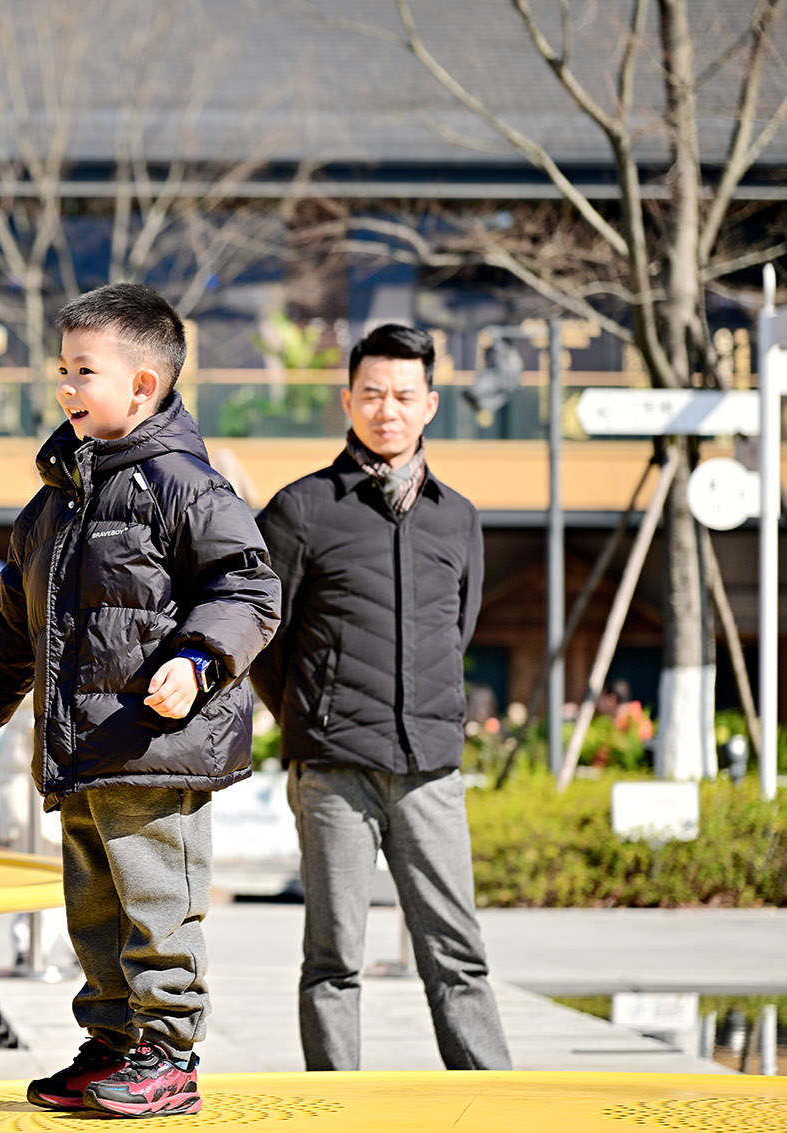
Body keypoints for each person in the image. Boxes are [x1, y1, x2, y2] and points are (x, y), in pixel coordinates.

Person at [0, 282, 280, 1118]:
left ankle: (169, 1051)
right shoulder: (59, 496)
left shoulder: (184, 485)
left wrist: (200, 659)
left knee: (157, 903)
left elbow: (247, 585)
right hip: (81, 749)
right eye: (63, 369)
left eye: (83, 370)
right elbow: (15, 602)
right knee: (95, 910)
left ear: (144, 385)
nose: (66, 386)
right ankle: (112, 1044)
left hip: (154, 742)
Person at [250, 323, 512, 1073]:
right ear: (348, 399)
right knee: (333, 957)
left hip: (431, 767)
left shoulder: (457, 516)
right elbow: (264, 635)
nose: (386, 409)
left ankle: (493, 1101)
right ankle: (338, 1109)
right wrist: (310, 715)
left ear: (430, 404)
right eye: (372, 393)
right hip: (333, 771)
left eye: (403, 395)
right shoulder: (301, 510)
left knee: (457, 953)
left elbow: (457, 629)